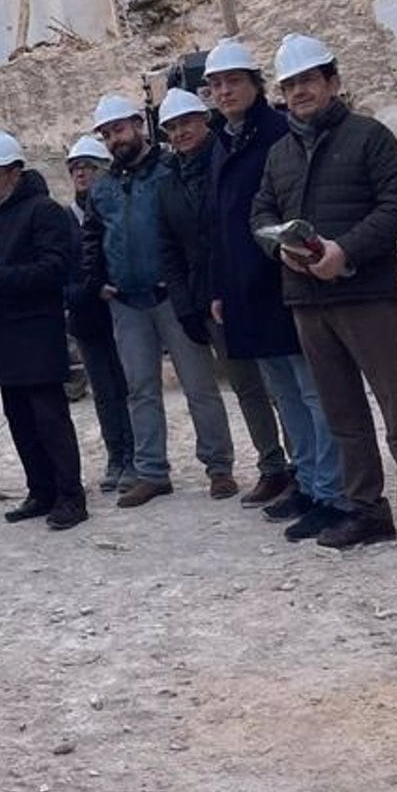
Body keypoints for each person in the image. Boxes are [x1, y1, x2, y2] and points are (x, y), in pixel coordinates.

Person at [251, 34, 397, 561]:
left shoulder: (369, 138)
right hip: (307, 301)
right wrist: (281, 251)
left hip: (367, 293)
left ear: (333, 83)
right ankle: (368, 511)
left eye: (308, 81)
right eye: (290, 85)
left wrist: (346, 249)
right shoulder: (280, 155)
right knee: (343, 413)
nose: (299, 92)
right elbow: (260, 215)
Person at [201, 38, 347, 543]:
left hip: (285, 282)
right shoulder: (224, 141)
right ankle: (308, 483)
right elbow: (220, 224)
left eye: (233, 81)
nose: (224, 91)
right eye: (216, 84)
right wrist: (220, 287)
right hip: (244, 290)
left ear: (255, 85)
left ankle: (333, 491)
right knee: (285, 395)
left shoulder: (278, 132)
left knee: (312, 393)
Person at [83, 93, 238, 506]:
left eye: (119, 129)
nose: (115, 139)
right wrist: (97, 280)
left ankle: (219, 467)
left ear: (138, 125)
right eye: (107, 134)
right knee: (141, 389)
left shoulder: (172, 168)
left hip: (172, 297)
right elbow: (92, 238)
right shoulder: (104, 188)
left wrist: (188, 283)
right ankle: (152, 471)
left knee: (199, 385)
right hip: (127, 302)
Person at [153, 87, 296, 506]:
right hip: (209, 298)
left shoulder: (227, 160)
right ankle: (272, 466)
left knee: (279, 382)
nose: (180, 133)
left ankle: (302, 465)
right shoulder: (168, 184)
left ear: (205, 121)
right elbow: (170, 250)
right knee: (246, 385)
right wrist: (185, 304)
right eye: (172, 127)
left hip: (248, 285)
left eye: (186, 123)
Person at [0, 132, 86, 529]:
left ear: (16, 173)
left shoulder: (45, 211)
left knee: (50, 417)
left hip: (37, 330)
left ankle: (71, 495)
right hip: (4, 331)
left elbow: (53, 269)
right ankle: (41, 490)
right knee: (18, 416)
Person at [66, 135, 135, 492]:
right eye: (75, 167)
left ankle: (137, 456)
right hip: (87, 317)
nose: (81, 173)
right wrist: (89, 289)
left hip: (123, 311)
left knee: (130, 386)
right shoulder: (65, 220)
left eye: (88, 167)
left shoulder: (117, 206)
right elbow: (63, 274)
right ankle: (116, 455)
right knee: (105, 392)